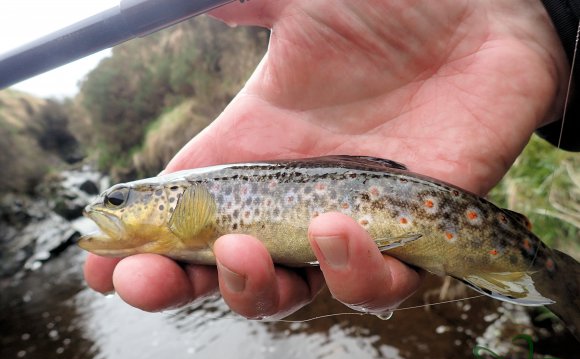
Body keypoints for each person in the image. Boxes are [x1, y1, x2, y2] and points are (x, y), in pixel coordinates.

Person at [84, 0, 576, 319]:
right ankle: (552, 277)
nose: (104, 209)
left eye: (119, 200)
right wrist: (546, 24)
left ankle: (553, 278)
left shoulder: (191, 207)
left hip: (441, 210)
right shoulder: (185, 215)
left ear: (174, 200)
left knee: (535, 275)